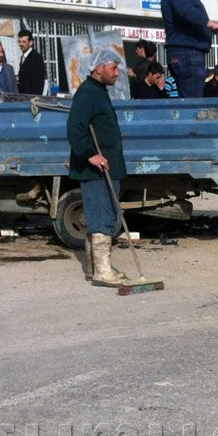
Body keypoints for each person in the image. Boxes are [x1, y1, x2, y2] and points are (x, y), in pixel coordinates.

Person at [65, 48, 131, 288]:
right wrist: (90, 155)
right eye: (113, 68)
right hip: (96, 169)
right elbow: (74, 128)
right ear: (99, 68)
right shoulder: (87, 93)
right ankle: (102, 271)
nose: (117, 73)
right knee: (101, 216)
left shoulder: (98, 91)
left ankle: (96, 268)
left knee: (105, 215)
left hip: (107, 166)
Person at [16, 29, 46, 95]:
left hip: (30, 98)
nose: (21, 44)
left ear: (30, 42)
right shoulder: (23, 57)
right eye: (19, 41)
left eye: (24, 42)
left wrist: (35, 98)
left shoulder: (36, 58)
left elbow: (38, 82)